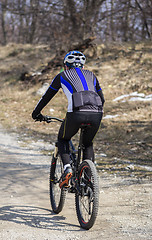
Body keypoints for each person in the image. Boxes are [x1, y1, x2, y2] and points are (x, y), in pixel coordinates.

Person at [32, 50, 105, 188]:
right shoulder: (92, 75)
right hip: (97, 113)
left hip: (76, 113)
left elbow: (46, 97)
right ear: (83, 67)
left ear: (66, 66)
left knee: (63, 139)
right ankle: (88, 182)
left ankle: (67, 169)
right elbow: (102, 99)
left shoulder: (62, 76)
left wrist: (36, 113)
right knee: (87, 144)